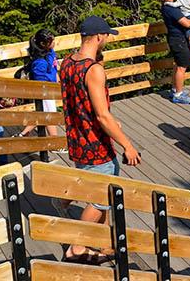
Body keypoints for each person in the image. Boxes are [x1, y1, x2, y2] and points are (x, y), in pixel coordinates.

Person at [58, 15, 141, 265]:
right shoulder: (94, 70)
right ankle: (77, 246)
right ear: (99, 37)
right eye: (106, 35)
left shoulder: (67, 63)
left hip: (76, 138)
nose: (106, 39)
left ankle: (104, 245)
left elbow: (80, 104)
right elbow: (102, 115)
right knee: (100, 198)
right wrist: (127, 144)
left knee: (98, 192)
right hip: (95, 143)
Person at [15, 30, 63, 146]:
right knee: (49, 114)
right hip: (44, 91)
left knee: (42, 112)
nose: (54, 43)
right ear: (43, 44)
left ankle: (23, 133)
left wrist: (57, 78)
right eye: (52, 41)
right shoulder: (39, 61)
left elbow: (54, 67)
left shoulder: (50, 52)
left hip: (51, 88)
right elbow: (39, 80)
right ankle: (54, 142)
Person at [161, 0, 190, 105]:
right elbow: (186, 23)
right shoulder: (171, 9)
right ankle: (178, 94)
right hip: (179, 39)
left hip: (174, 38)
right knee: (182, 66)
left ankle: (175, 89)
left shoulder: (165, 6)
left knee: (177, 64)